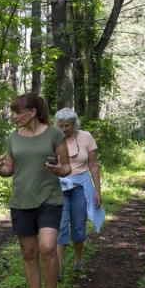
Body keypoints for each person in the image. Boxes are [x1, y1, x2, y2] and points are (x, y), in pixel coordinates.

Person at [0, 92, 71, 288]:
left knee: (47, 248)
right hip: (21, 202)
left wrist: (58, 171)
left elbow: (66, 167)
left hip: (49, 199)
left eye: (17, 112)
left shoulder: (54, 134)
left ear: (32, 112)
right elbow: (9, 170)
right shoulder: (13, 138)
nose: (14, 117)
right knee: (28, 254)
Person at [54, 108, 105, 279]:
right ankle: (58, 268)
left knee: (78, 225)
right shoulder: (54, 138)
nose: (63, 129)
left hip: (81, 187)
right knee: (60, 226)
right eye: (60, 126)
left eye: (67, 126)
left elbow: (94, 165)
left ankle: (78, 259)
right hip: (60, 186)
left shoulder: (86, 137)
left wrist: (97, 190)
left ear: (74, 124)